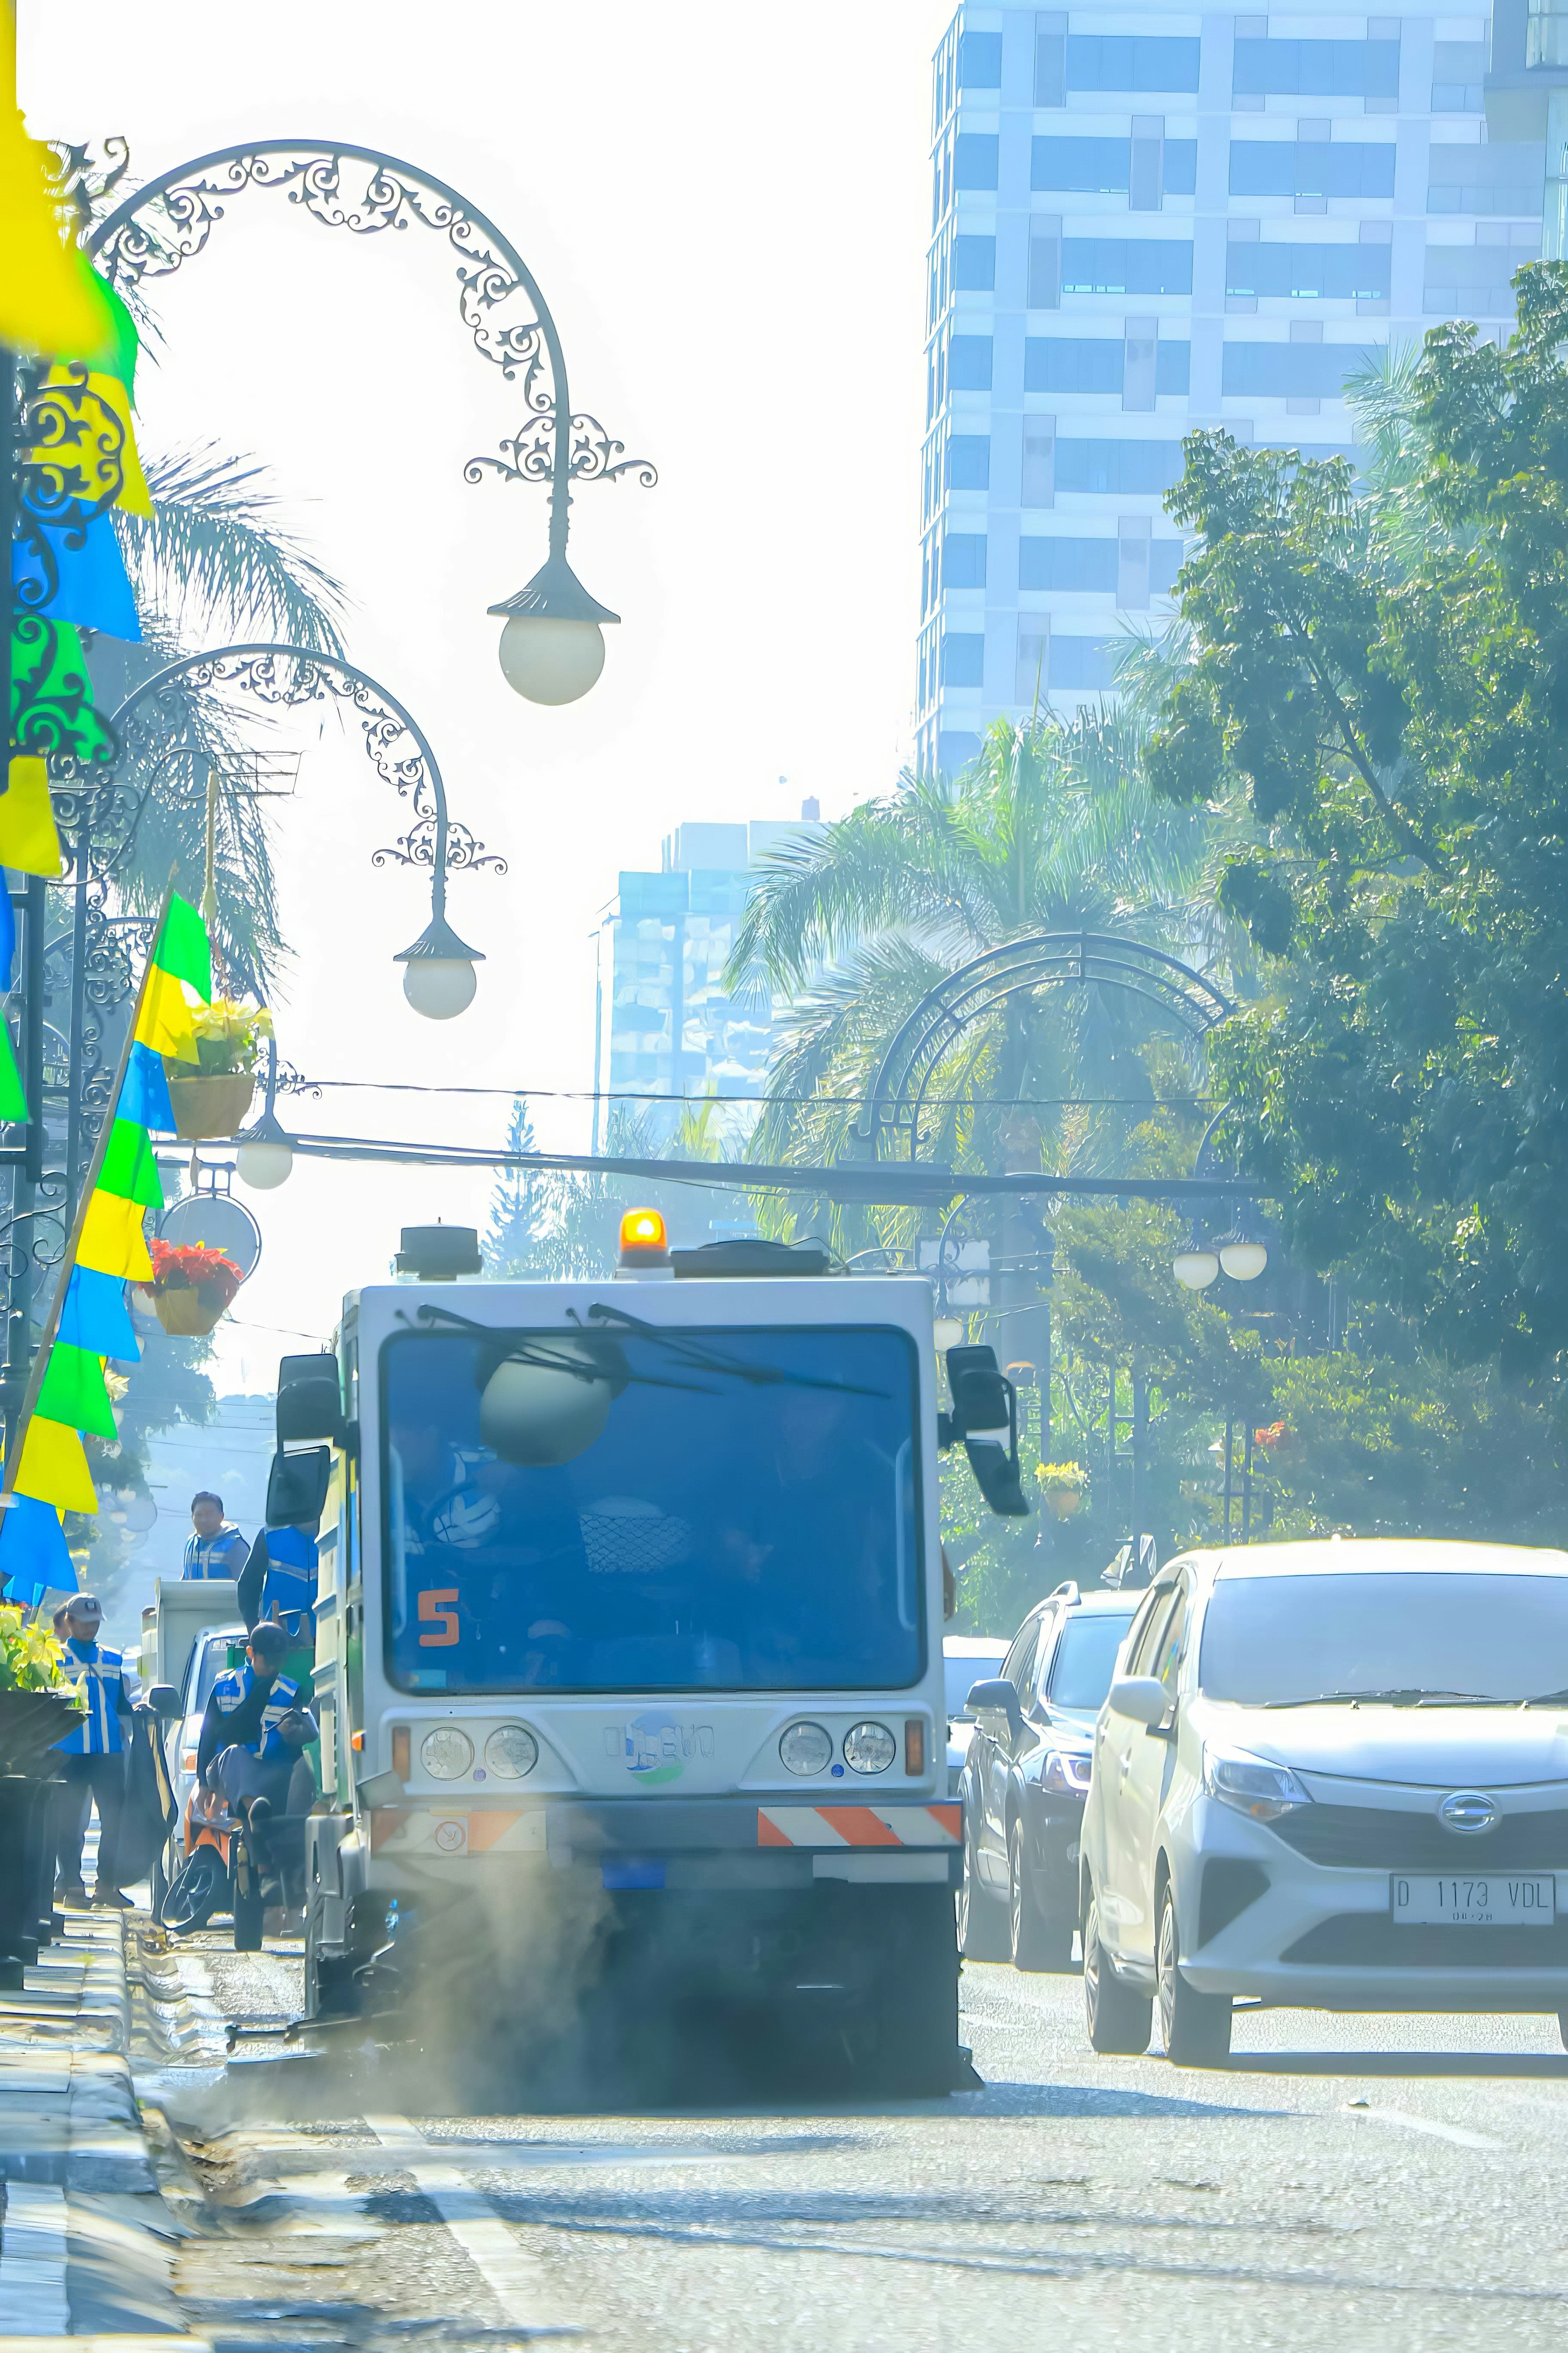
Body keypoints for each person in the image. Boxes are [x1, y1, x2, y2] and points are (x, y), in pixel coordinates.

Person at [51, 1592, 141, 1911]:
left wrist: (142, 1710)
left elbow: (120, 1705)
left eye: (95, 1623)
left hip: (108, 1752)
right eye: (84, 1623)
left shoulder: (114, 1659)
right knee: (68, 1821)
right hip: (69, 1751)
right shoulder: (56, 1658)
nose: (91, 1628)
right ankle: (72, 1884)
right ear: (70, 1623)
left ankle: (106, 1885)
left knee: (114, 1821)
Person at [196, 1620, 315, 1830]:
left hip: (275, 1774)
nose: (271, 1667)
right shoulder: (225, 1686)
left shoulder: (291, 1692)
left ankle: (262, 1819)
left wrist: (291, 1733)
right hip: (229, 1774)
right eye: (267, 1660)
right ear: (251, 1653)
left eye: (277, 1661)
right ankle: (256, 1815)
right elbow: (208, 1735)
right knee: (234, 1755)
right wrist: (203, 1785)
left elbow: (304, 1741)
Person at [238, 1519, 318, 1646]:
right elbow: (248, 1585)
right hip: (276, 1643)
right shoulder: (270, 1535)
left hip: (332, 1634)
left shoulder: (341, 1530)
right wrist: (254, 1632)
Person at [183, 1492, 250, 1581]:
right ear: (192, 1517)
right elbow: (185, 1579)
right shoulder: (191, 1542)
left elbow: (248, 1586)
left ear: (222, 1516)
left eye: (210, 1514)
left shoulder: (236, 1546)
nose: (204, 1520)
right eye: (199, 1515)